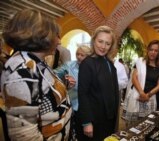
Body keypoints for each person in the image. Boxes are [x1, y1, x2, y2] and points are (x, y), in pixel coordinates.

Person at [1, 9, 72, 140]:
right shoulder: (22, 72)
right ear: (40, 35)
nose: (59, 42)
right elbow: (25, 135)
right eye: (56, 35)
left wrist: (64, 87)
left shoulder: (35, 62)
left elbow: (43, 94)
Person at [77, 25, 119, 140]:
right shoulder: (87, 63)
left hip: (109, 118)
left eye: (107, 43)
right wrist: (86, 122)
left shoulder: (109, 63)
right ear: (93, 40)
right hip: (94, 120)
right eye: (100, 41)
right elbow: (83, 94)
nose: (103, 47)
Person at [123, 39, 159, 122]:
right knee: (132, 125)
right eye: (151, 49)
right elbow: (134, 78)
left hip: (150, 98)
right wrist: (142, 93)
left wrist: (147, 95)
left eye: (156, 50)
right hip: (136, 96)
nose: (153, 52)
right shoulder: (140, 61)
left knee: (146, 124)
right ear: (148, 50)